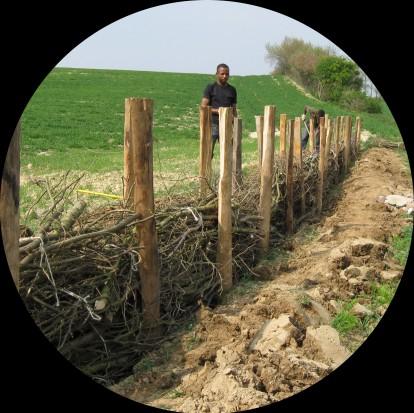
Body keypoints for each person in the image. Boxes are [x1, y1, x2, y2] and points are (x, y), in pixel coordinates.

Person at [201, 63, 238, 157]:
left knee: (227, 152)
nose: (225, 76)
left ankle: (228, 172)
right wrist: (218, 111)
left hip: (227, 124)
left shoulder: (232, 90)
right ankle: (206, 171)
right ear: (217, 74)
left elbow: (234, 109)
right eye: (222, 74)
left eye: (227, 74)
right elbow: (203, 107)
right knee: (208, 151)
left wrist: (235, 122)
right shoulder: (210, 88)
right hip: (213, 123)